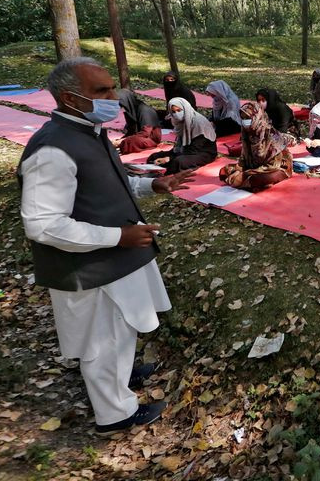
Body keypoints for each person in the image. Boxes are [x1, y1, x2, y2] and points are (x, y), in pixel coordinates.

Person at [18, 57, 193, 432]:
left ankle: (123, 373)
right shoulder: (52, 150)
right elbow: (42, 224)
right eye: (102, 91)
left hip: (114, 258)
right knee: (101, 339)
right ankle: (115, 413)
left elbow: (108, 182)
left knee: (121, 325)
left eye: (112, 88)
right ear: (70, 97)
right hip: (90, 266)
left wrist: (153, 185)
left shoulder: (89, 132)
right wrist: (118, 236)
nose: (114, 97)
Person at [220, 102, 295, 191]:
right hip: (254, 167)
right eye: (243, 118)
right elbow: (244, 157)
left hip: (276, 167)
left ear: (257, 116)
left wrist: (246, 173)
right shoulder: (246, 133)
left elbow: (273, 165)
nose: (245, 121)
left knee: (258, 179)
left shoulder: (269, 135)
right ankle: (247, 182)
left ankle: (248, 181)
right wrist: (239, 169)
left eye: (248, 118)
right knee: (224, 171)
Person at [147, 98, 218, 173]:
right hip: (184, 148)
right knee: (154, 157)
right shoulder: (178, 120)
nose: (177, 114)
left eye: (179, 110)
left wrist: (170, 158)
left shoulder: (199, 123)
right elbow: (179, 146)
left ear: (185, 109)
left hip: (202, 152)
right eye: (173, 112)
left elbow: (193, 149)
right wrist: (170, 156)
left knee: (178, 162)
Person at [116, 89, 162, 154]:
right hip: (139, 135)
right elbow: (131, 129)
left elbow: (146, 133)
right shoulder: (130, 110)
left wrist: (123, 141)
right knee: (125, 141)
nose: (120, 106)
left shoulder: (145, 110)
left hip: (150, 138)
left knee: (131, 142)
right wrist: (121, 140)